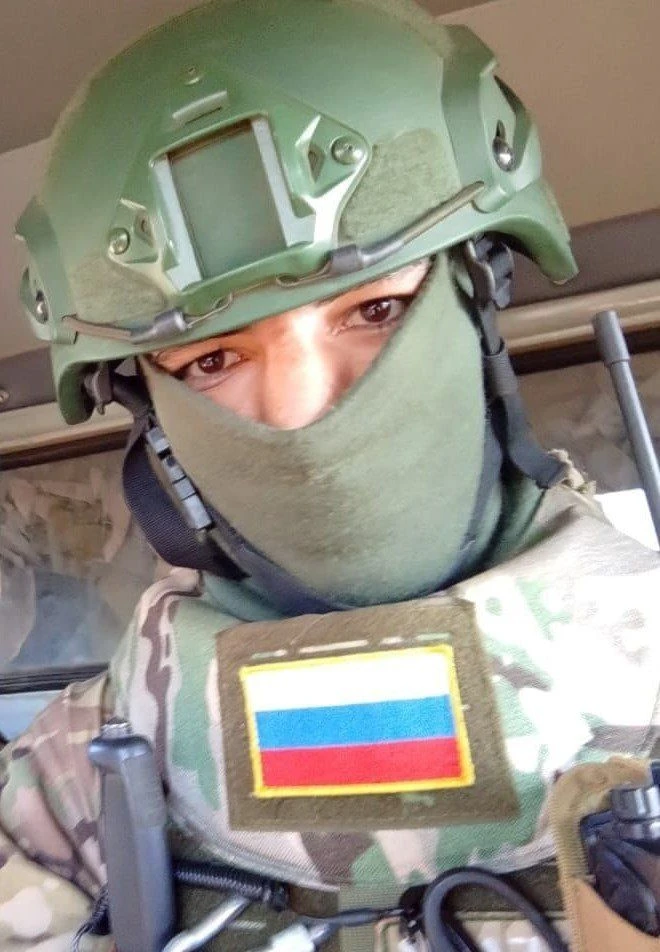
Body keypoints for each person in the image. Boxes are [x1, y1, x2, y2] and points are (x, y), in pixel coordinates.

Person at [1, 0, 658, 948]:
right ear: (149, 410)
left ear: (479, 299)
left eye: (375, 311)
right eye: (212, 361)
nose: (302, 410)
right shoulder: (75, 780)